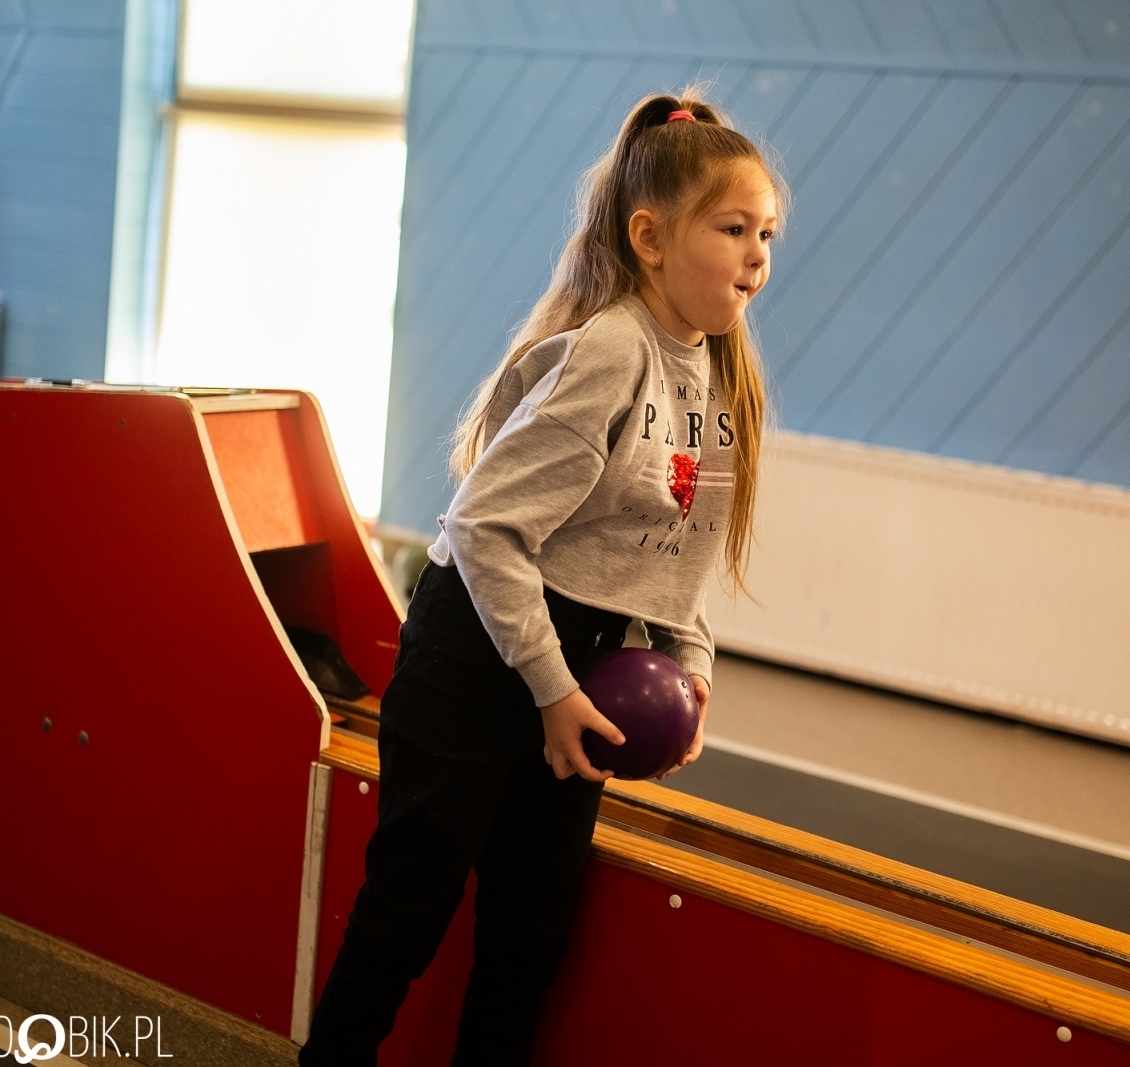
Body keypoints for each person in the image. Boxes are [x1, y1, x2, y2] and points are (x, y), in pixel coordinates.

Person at [298, 91, 784, 1066]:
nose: (756, 256)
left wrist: (690, 669)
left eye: (766, 234)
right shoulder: (611, 351)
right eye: (732, 229)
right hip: (480, 652)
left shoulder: (720, 375)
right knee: (410, 907)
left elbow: (677, 552)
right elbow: (482, 529)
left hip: (579, 668)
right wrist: (553, 690)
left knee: (530, 932)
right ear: (650, 238)